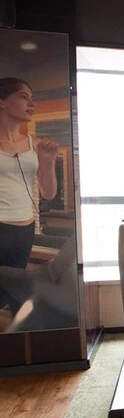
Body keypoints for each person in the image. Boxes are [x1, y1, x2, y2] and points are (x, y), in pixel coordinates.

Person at [0, 77, 60, 313]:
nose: (32, 103)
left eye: (32, 98)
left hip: (24, 229)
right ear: (2, 102)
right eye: (23, 97)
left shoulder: (34, 145)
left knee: (15, 289)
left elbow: (48, 193)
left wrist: (48, 162)